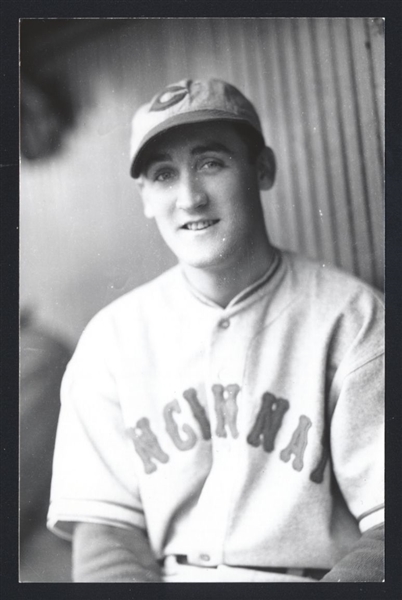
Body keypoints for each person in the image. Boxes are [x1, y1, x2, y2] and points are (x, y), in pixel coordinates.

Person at [47, 78, 384, 582]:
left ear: (262, 168)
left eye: (212, 163)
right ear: (144, 197)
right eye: (164, 175)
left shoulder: (352, 318)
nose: (189, 197)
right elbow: (106, 538)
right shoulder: (111, 340)